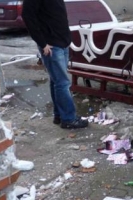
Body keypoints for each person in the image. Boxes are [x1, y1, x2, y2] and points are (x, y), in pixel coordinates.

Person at [22, 0, 88, 129]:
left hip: (62, 42)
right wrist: (42, 43)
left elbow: (58, 14)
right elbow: (28, 16)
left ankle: (60, 115)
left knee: (56, 81)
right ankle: (69, 119)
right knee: (63, 83)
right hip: (51, 45)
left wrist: (67, 38)